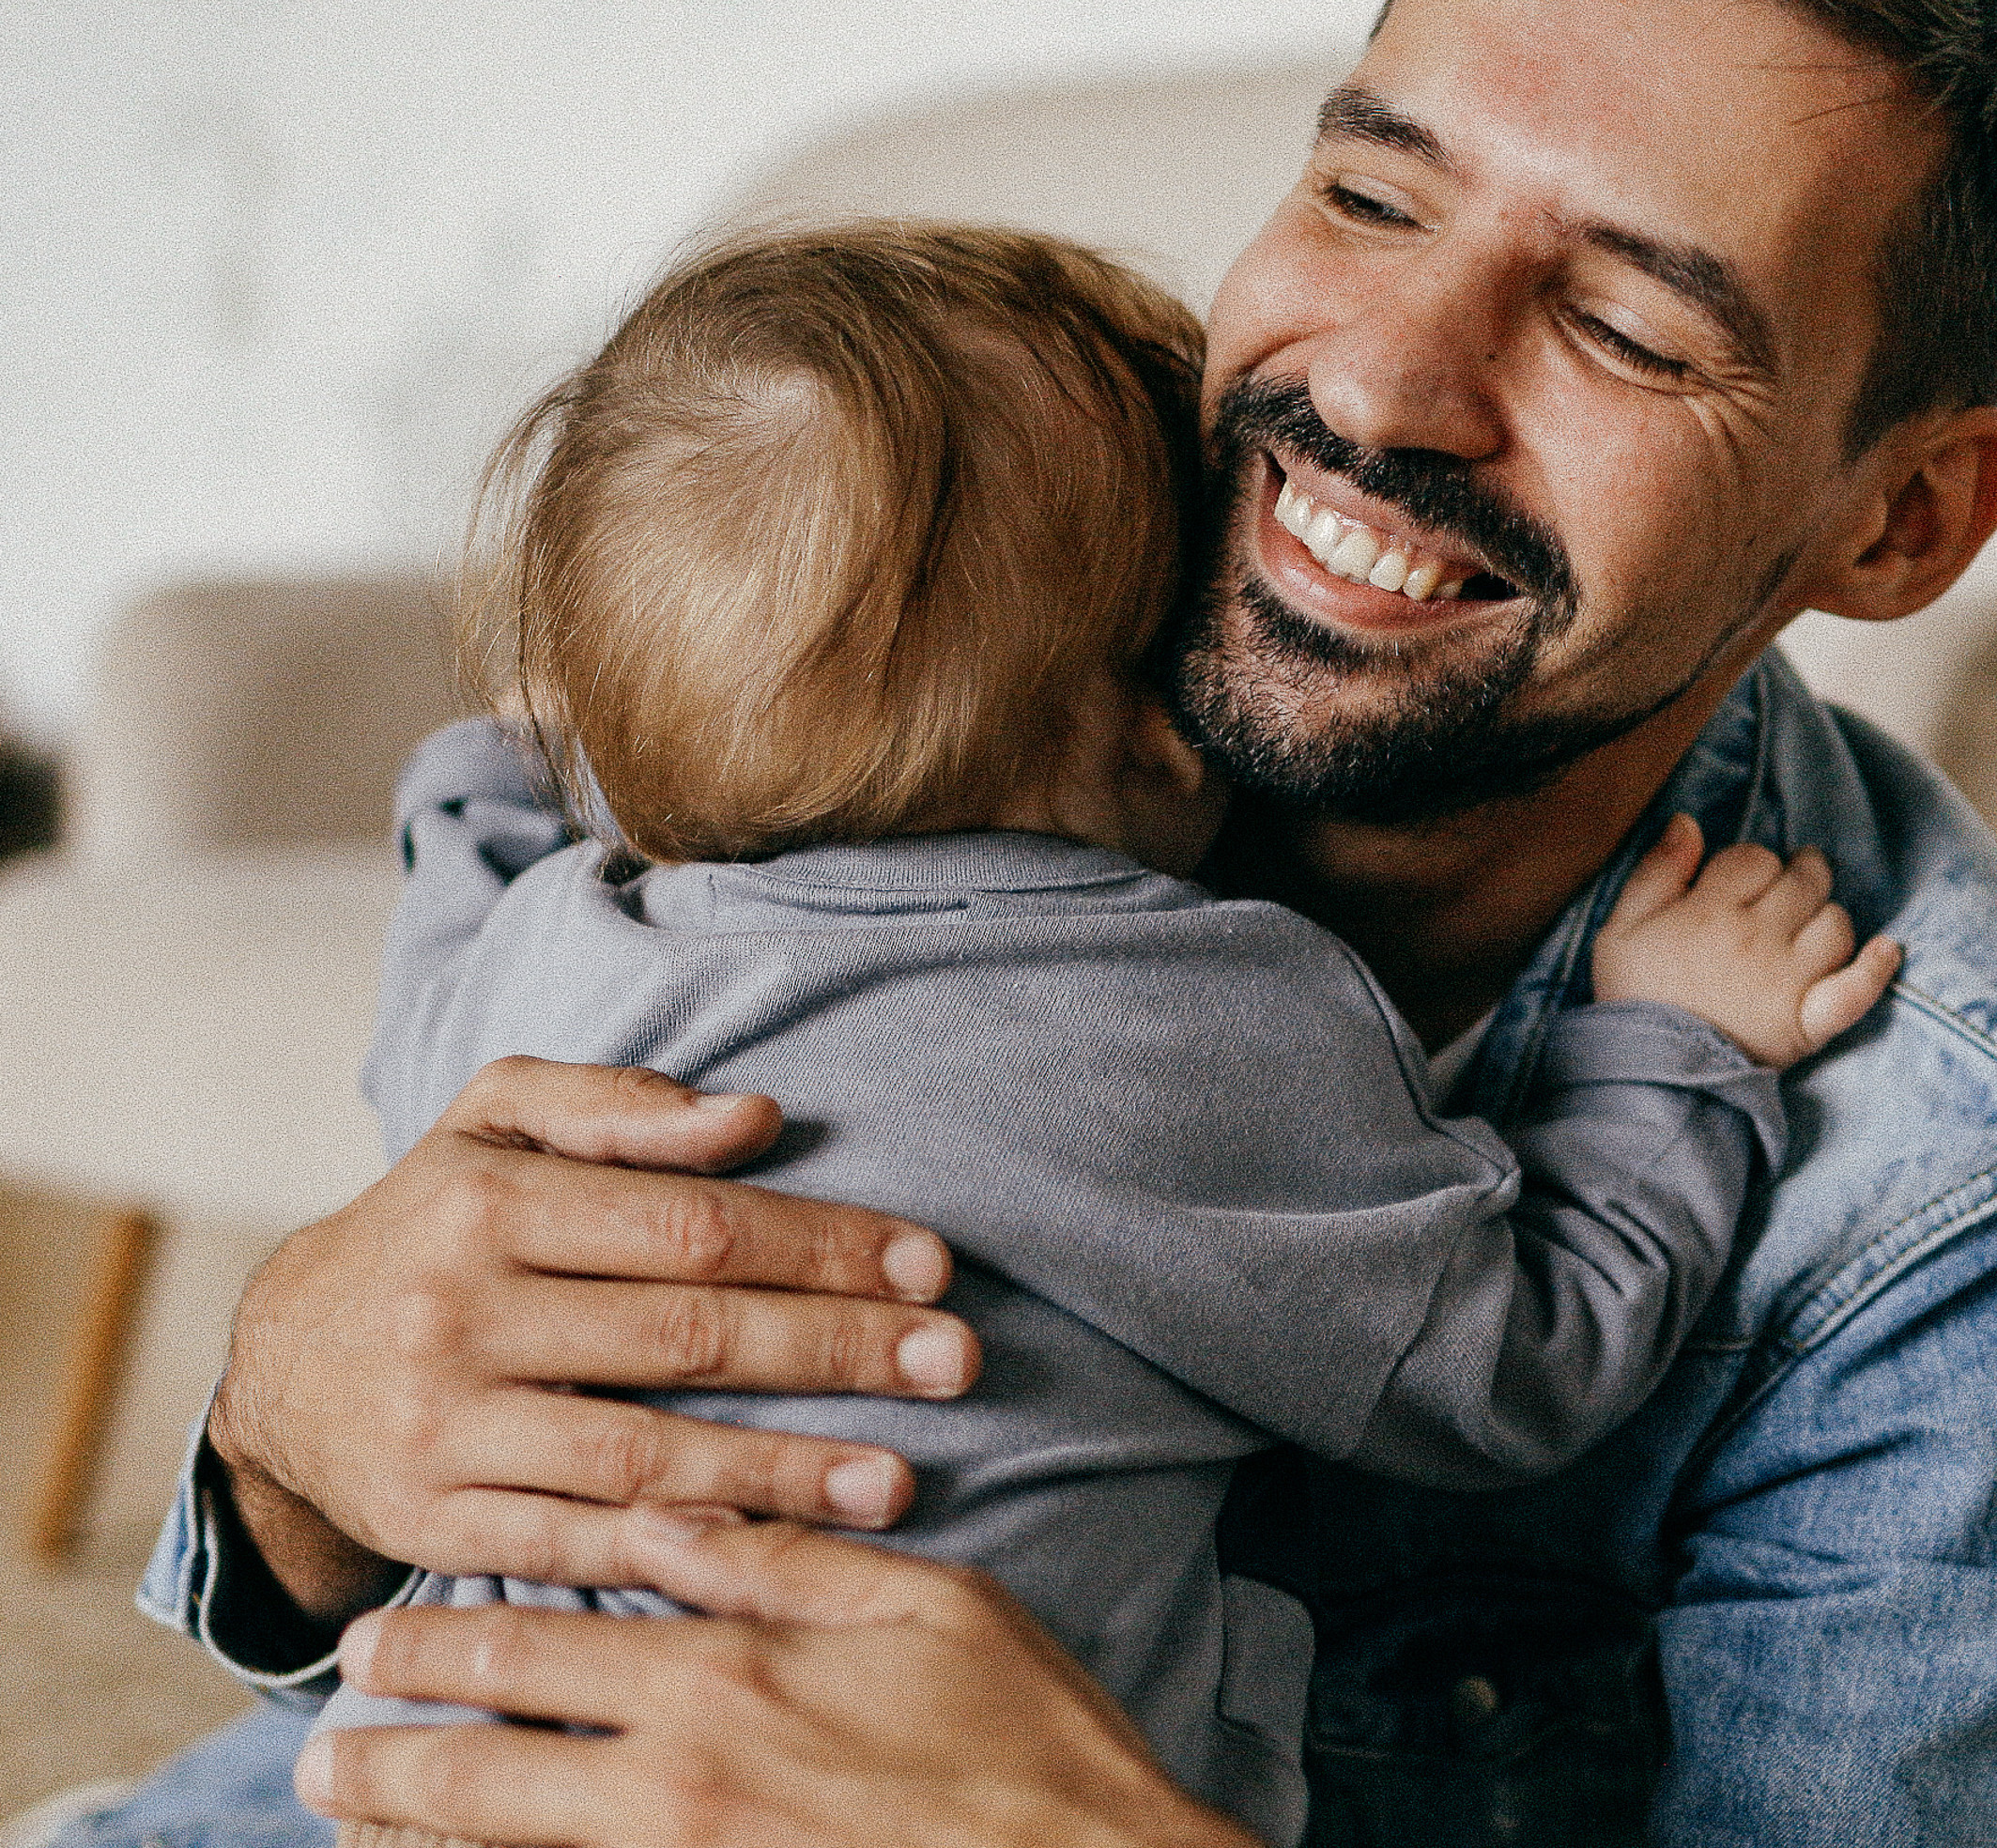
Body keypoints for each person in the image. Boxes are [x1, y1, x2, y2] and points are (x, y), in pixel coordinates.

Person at [103, 0, 1997, 1848]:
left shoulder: (1934, 1150)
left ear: (1899, 523)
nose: (1382, 380)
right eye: (1372, 195)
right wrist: (280, 1438)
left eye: (1630, 331)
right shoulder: (941, 628)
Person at [303, 217, 1894, 1848]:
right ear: (1169, 724)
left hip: (460, 1784)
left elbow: (436, 950)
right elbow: (1509, 1368)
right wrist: (1672, 1042)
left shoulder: (549, 957)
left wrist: (497, 775)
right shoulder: (1201, 1018)